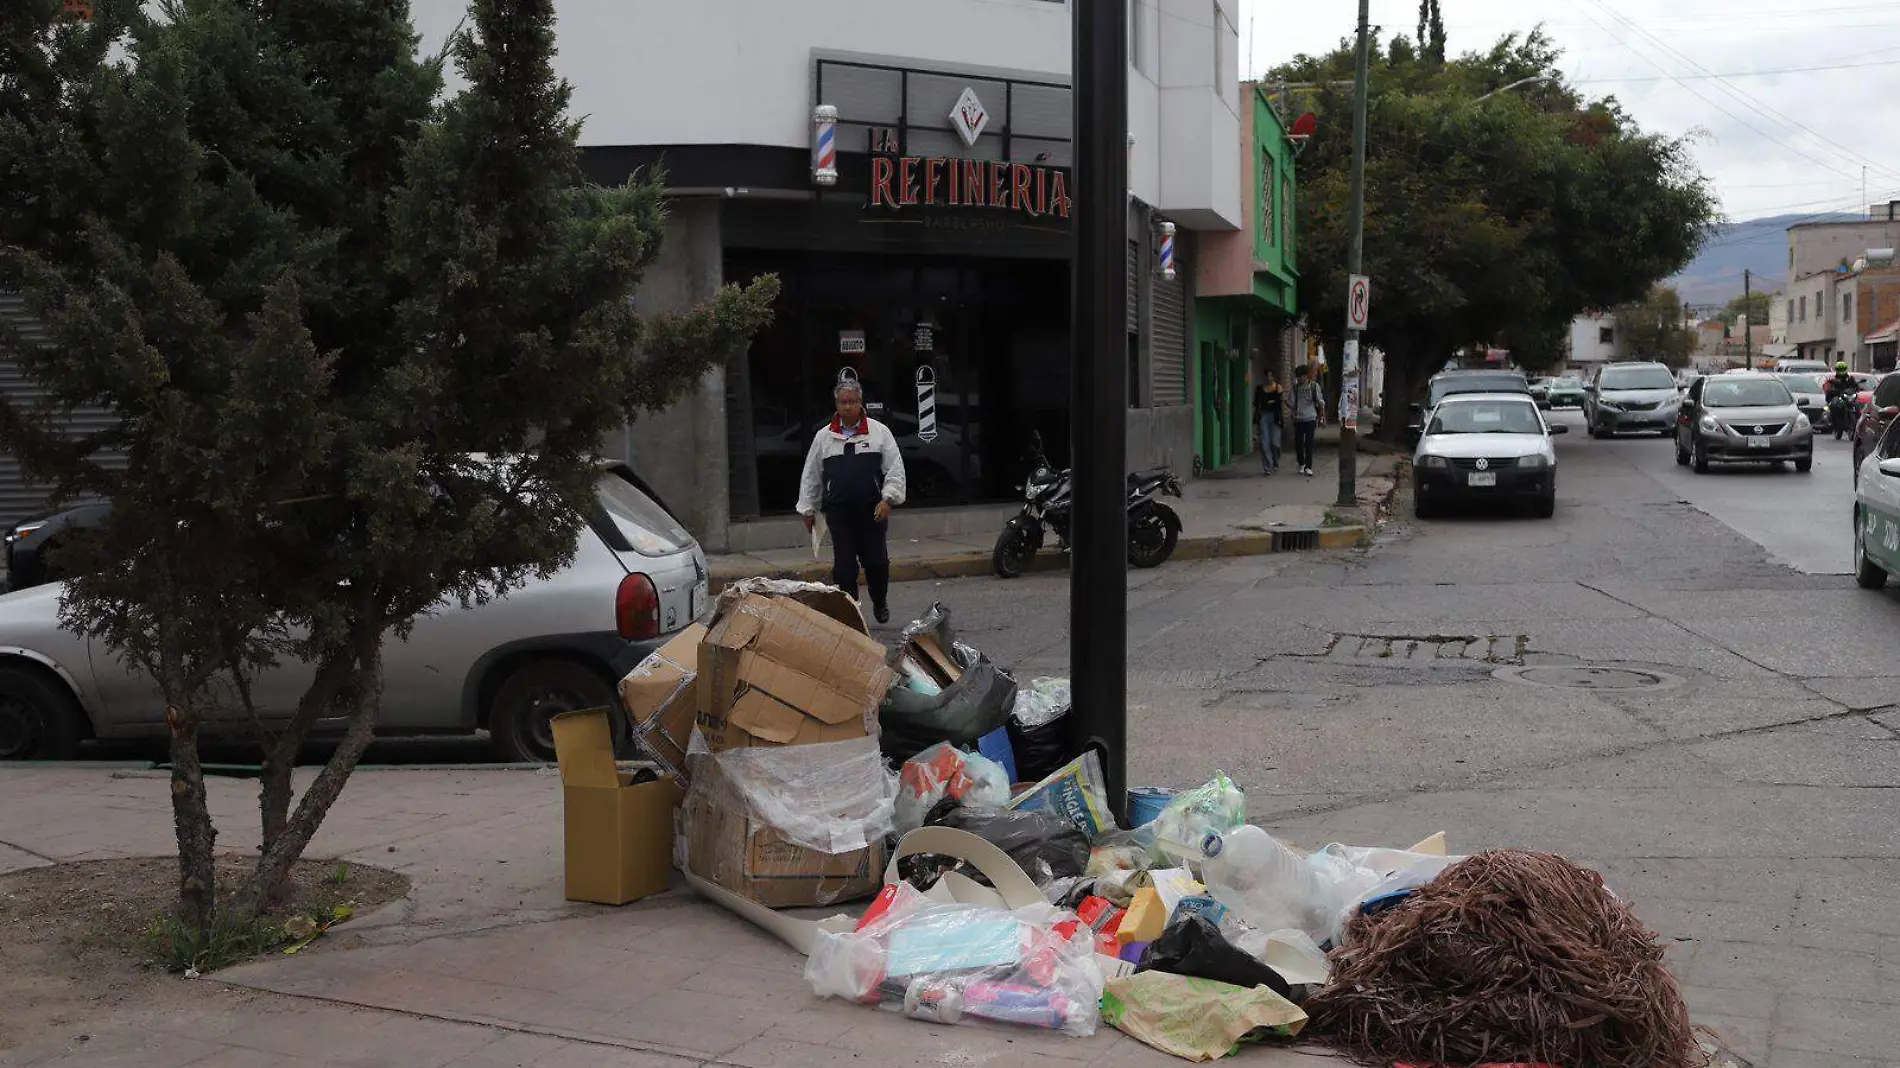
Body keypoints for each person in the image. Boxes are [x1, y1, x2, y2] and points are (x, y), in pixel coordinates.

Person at [797, 380, 907, 623]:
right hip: (839, 514)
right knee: (844, 570)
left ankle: (880, 602)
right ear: (836, 405)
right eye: (842, 402)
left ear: (860, 403)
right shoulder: (824, 437)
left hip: (872, 512)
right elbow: (811, 476)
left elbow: (895, 470)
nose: (847, 407)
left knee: (877, 563)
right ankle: (852, 615)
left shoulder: (879, 432)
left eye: (852, 402)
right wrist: (808, 510)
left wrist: (888, 499)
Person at [1290, 364, 1324, 477]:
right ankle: (1301, 464)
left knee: (1309, 443)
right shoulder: (1295, 388)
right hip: (1298, 419)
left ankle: (1309, 467)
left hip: (1311, 418)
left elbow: (1320, 402)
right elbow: (1292, 403)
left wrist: (1321, 417)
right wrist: (1285, 402)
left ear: (1306, 376)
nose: (1300, 379)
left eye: (1302, 376)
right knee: (1298, 443)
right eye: (1298, 376)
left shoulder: (1314, 386)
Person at [1253, 372, 1284, 475]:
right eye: (1266, 376)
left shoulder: (1278, 388)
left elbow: (1279, 402)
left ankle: (1275, 461)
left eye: (1271, 376)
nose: (1268, 378)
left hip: (1275, 417)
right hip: (1264, 416)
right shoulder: (1259, 388)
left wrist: (1273, 401)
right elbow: (1256, 403)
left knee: (1275, 442)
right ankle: (1267, 466)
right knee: (1264, 442)